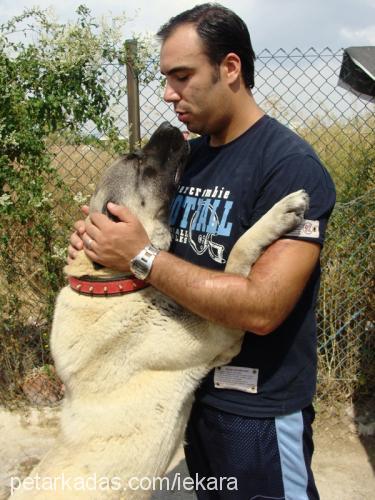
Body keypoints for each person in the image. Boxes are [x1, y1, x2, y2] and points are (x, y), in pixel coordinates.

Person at [68, 3, 336, 499]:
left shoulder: (289, 167)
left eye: (182, 76)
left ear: (230, 68)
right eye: (165, 78)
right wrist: (95, 250)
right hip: (192, 395)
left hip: (259, 414)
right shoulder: (190, 161)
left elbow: (262, 308)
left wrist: (140, 257)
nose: (168, 93)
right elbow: (138, 237)